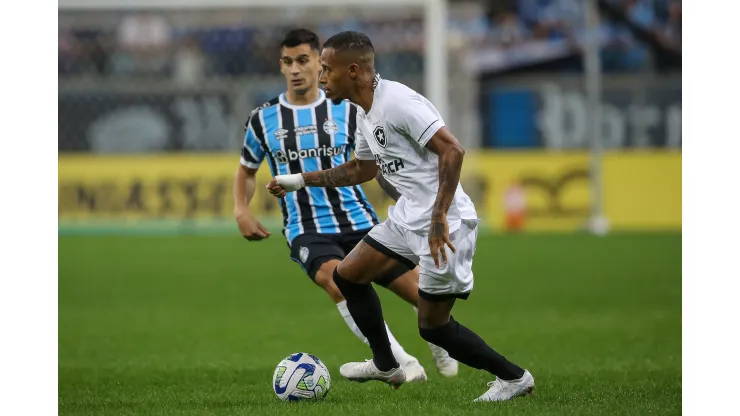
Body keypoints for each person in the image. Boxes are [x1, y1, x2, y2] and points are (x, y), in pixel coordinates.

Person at [267, 31, 535, 402]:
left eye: (327, 69)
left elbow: (453, 151)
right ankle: (386, 363)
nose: (322, 77)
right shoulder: (364, 111)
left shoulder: (399, 103)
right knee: (348, 275)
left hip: (447, 224)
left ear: (355, 71)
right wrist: (301, 179)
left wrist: (440, 216)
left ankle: (514, 378)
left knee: (434, 329)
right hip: (410, 216)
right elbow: (361, 169)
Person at [233, 29, 457, 382]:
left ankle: (440, 343)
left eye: (304, 61)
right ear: (280, 66)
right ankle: (399, 362)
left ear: (321, 62)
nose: (296, 69)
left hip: (358, 218)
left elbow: (372, 165)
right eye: (287, 62)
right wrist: (241, 210)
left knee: (417, 290)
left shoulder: (349, 109)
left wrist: (412, 201)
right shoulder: (263, 119)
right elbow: (246, 170)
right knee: (337, 281)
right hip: (306, 226)